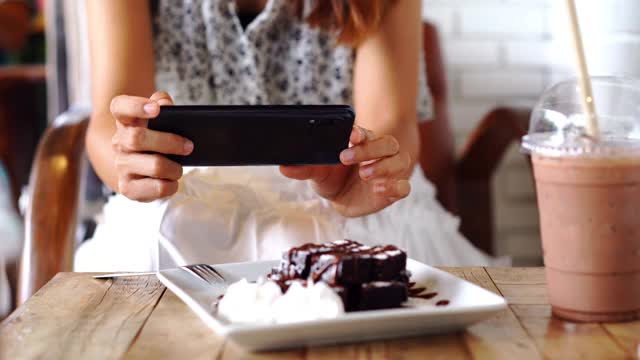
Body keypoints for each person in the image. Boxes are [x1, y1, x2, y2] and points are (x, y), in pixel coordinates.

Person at [76, 0, 497, 271]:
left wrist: (367, 170)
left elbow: (391, 122)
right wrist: (131, 164)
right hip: (185, 192)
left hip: (351, 199)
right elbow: (110, 123)